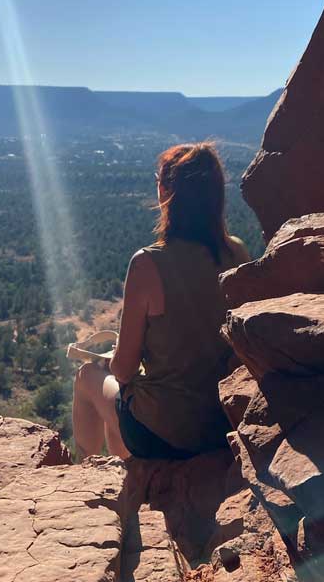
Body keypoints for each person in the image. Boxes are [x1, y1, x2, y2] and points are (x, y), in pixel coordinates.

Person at [72, 142, 250, 460]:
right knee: (125, 410)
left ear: (167, 191)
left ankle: (88, 471)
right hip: (221, 421)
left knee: (88, 378)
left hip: (167, 432)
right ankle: (134, 477)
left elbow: (124, 371)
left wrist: (111, 360)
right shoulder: (237, 252)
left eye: (159, 180)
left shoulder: (148, 264)